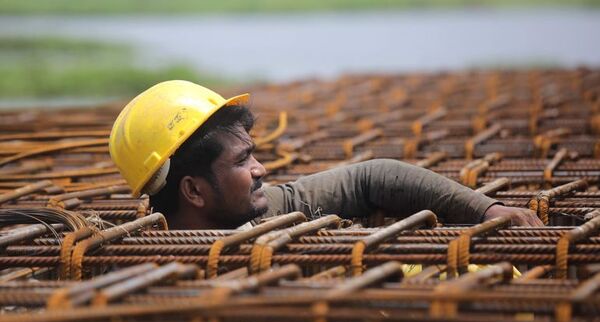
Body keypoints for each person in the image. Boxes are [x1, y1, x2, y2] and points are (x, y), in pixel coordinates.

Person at [109, 80, 543, 229]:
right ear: (193, 191)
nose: (261, 170)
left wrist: (485, 209)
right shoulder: (146, 273)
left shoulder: (253, 211)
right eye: (242, 161)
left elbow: (369, 179)